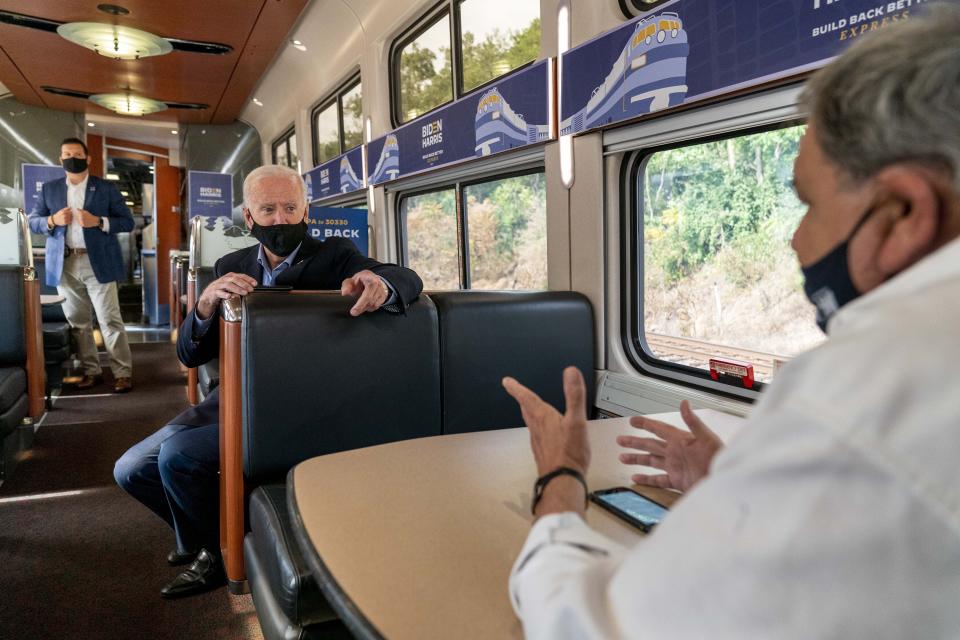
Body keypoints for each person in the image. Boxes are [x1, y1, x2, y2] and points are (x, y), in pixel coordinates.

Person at [503, 7, 960, 638]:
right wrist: (745, 488)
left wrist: (561, 478)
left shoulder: (873, 394)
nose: (798, 242)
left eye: (811, 205)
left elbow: (590, 627)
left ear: (907, 210)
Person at [114, 164, 423, 599]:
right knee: (131, 469)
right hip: (234, 395)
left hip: (302, 403)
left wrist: (382, 283)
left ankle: (214, 554)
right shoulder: (230, 265)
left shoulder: (335, 256)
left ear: (306, 211)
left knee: (177, 457)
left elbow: (406, 277)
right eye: (269, 209)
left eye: (290, 208)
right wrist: (203, 305)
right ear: (249, 216)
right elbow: (189, 354)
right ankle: (212, 535)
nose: (281, 219)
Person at [28, 138, 135, 393]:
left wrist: (98, 221)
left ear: (87, 159)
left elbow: (127, 222)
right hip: (64, 262)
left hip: (98, 261)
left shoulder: (105, 188)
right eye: (67, 154)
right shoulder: (50, 189)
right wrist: (52, 220)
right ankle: (92, 371)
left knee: (109, 320)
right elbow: (32, 222)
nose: (71, 158)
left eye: (77, 154)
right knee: (78, 323)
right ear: (60, 158)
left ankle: (122, 373)